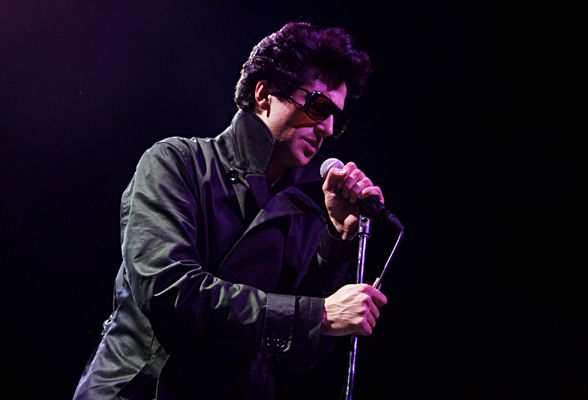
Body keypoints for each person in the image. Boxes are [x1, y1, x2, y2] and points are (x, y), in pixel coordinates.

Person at [73, 21, 388, 400]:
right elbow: (167, 289)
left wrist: (338, 238)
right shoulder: (177, 162)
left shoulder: (305, 211)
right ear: (264, 94)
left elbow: (301, 356)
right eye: (320, 106)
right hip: (142, 389)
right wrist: (316, 314)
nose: (328, 128)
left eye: (338, 119)